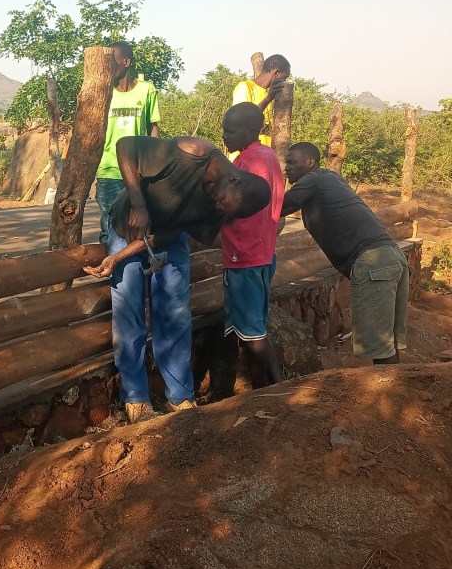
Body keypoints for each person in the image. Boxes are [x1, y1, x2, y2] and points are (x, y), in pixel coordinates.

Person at [85, 135, 271, 423]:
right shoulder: (191, 152)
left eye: (224, 209)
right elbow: (125, 146)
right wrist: (139, 205)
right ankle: (135, 397)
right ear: (233, 180)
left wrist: (121, 257)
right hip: (126, 228)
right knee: (129, 312)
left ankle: (180, 394)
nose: (218, 208)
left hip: (167, 240)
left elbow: (173, 234)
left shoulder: (226, 203)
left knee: (174, 314)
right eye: (221, 201)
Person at [281, 142, 409, 364]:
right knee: (387, 346)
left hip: (372, 264)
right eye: (286, 163)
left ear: (310, 162)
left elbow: (281, 206)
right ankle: (395, 392)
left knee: (379, 348)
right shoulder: (331, 178)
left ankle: (386, 394)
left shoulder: (312, 179)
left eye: (292, 162)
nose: (286, 168)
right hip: (391, 257)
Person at [217, 103, 285, 395]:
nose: (225, 136)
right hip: (262, 251)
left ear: (250, 131)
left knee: (252, 334)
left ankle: (262, 395)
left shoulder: (244, 164)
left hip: (242, 255)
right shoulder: (268, 156)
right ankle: (277, 386)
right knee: (254, 325)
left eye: (230, 131)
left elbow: (228, 206)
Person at [95, 41, 160, 243]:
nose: (108, 69)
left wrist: (155, 164)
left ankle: (137, 272)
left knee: (140, 224)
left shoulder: (146, 90)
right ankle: (112, 272)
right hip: (109, 169)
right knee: (110, 229)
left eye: (112, 63)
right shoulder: (102, 93)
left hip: (139, 171)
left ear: (126, 61)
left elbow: (152, 128)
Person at [229, 54, 291, 156]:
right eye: (284, 77)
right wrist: (268, 99)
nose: (284, 82)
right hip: (245, 159)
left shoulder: (268, 93)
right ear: (276, 73)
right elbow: (242, 119)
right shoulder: (245, 87)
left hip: (262, 158)